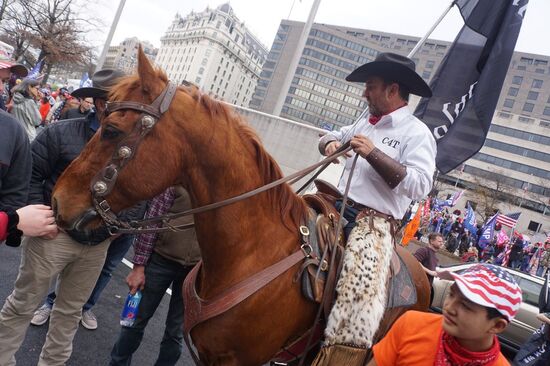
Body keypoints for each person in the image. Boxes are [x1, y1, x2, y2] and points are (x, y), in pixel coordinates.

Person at [0, 69, 141, 365]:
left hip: (96, 243)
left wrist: (118, 225)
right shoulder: (62, 132)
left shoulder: (133, 147)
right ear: (101, 103)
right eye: (116, 102)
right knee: (22, 304)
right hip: (53, 235)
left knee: (69, 313)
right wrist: (43, 219)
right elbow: (30, 175)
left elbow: (139, 192)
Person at [313, 52, 436, 363]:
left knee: (359, 290)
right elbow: (331, 134)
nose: (364, 92)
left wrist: (373, 154)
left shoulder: (417, 133)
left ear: (392, 90)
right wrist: (328, 143)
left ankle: (342, 356)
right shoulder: (362, 121)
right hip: (333, 203)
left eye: (370, 86)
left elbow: (422, 184)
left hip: (374, 222)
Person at [110, 186, 199, 366]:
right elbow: (152, 223)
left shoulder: (223, 187)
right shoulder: (177, 182)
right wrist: (138, 267)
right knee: (134, 321)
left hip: (194, 273)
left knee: (175, 334)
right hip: (160, 262)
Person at [369, 263, 522, 366]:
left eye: (465, 306)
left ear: (497, 325)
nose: (449, 307)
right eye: (451, 294)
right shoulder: (412, 324)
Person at [413, 232, 443, 305]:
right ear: (432, 241)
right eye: (439, 241)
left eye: (442, 242)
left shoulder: (435, 257)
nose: (442, 243)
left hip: (425, 290)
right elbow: (415, 262)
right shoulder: (424, 250)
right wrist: (430, 272)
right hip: (416, 288)